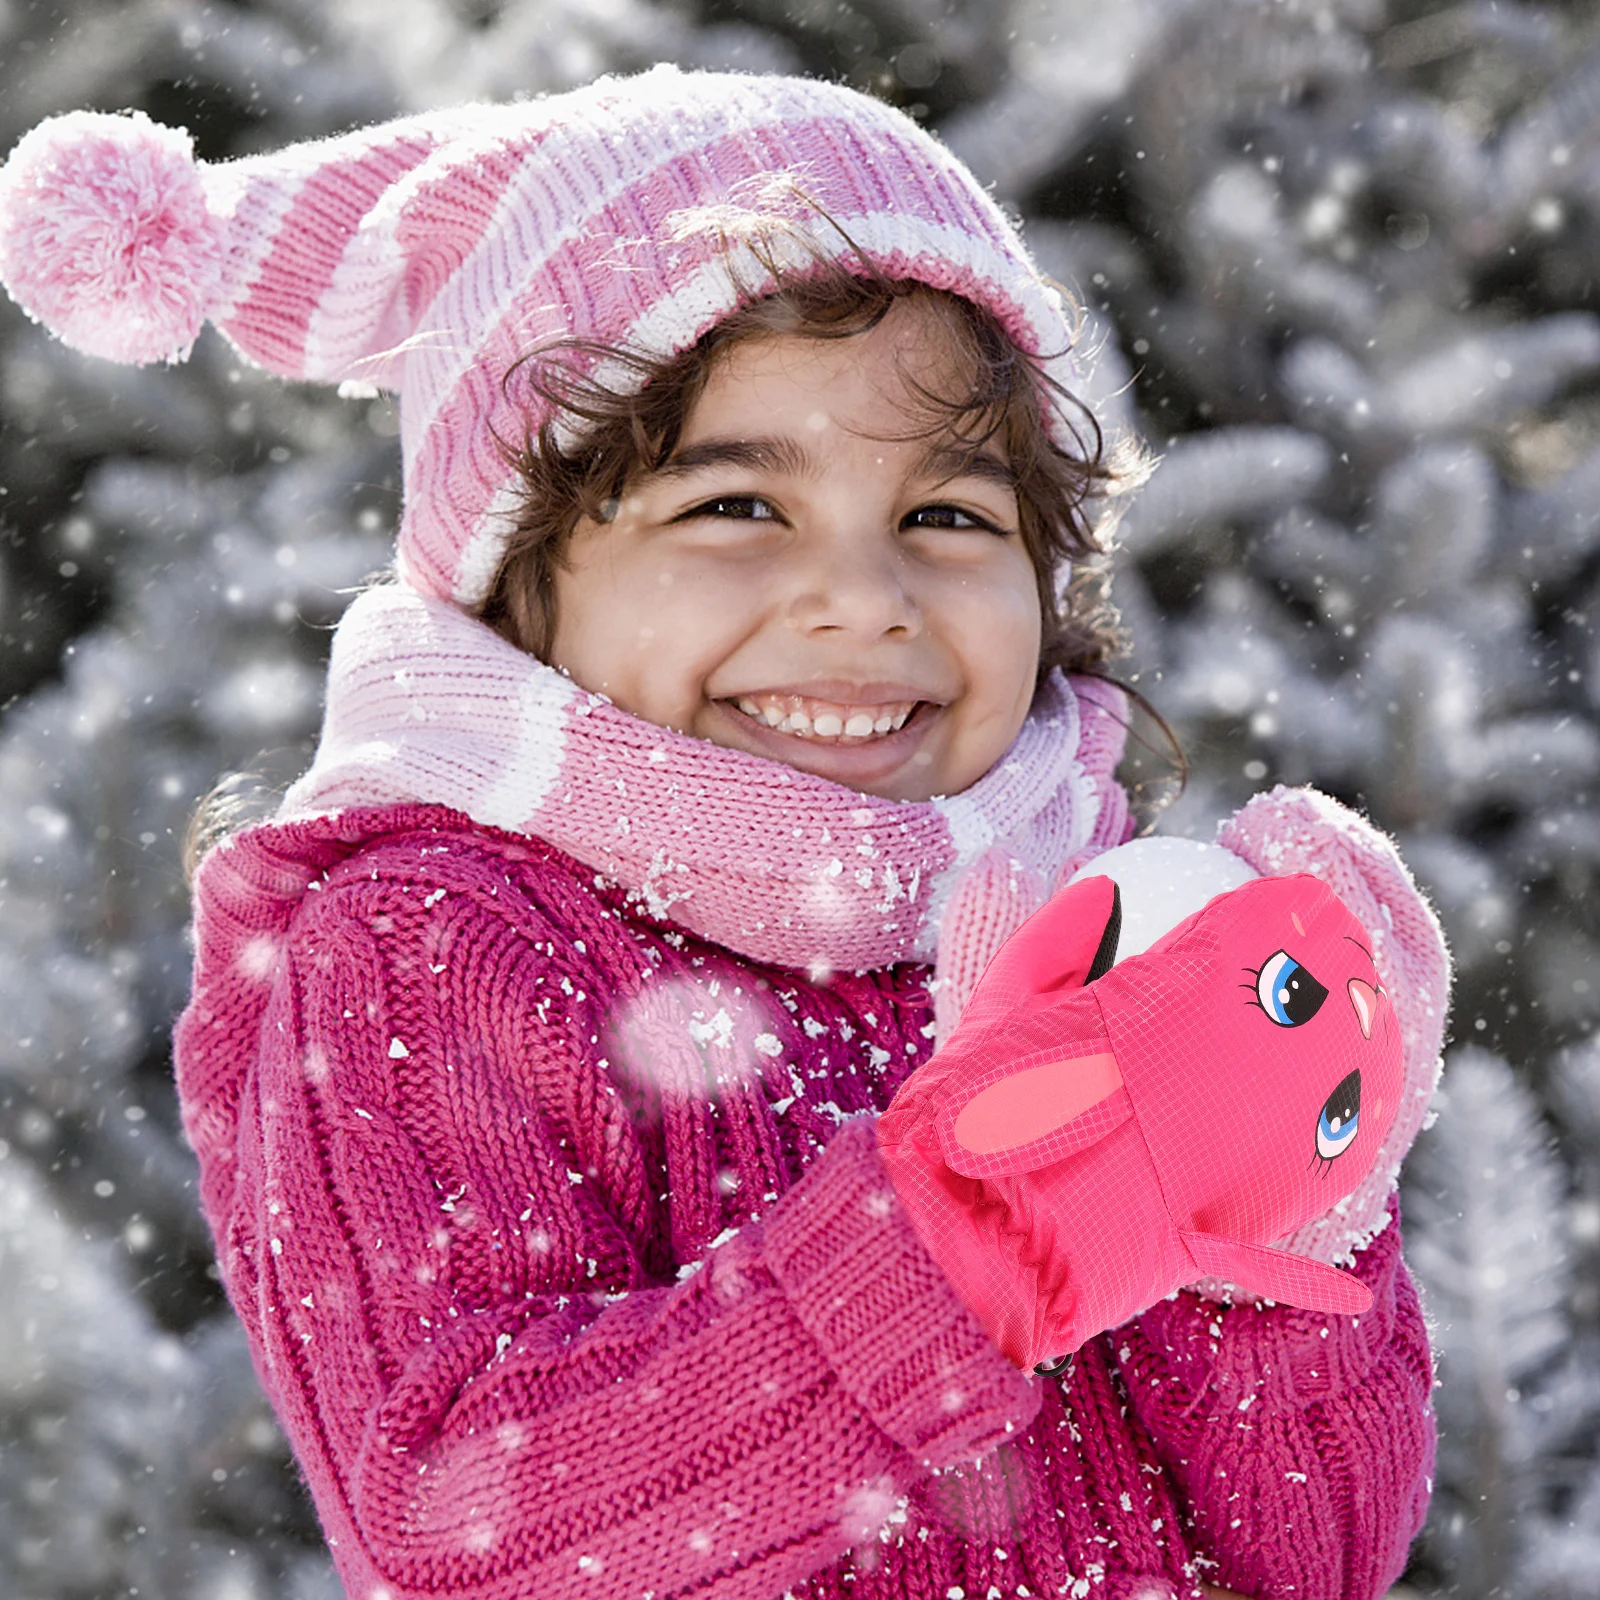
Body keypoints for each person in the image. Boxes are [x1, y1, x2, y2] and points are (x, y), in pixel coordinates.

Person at [0, 68, 1449, 1600]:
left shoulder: (1086, 929)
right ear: (520, 569)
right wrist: (960, 1248)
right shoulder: (428, 946)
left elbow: (1318, 1550)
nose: (863, 601)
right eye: (737, 508)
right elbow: (460, 1526)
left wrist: (1300, 1231)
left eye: (949, 518)